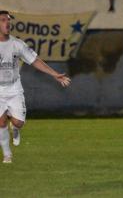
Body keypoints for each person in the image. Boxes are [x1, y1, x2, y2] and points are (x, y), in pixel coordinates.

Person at [0, 10, 71, 163]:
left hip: (14, 88)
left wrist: (54, 74)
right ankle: (7, 155)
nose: (7, 23)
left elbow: (35, 60)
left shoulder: (17, 44)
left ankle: (16, 127)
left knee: (18, 122)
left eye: (8, 20)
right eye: (3, 20)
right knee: (0, 121)